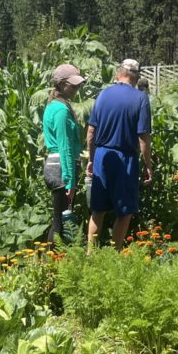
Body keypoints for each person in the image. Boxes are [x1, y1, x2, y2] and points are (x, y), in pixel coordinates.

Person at [87, 58, 152, 250]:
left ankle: (90, 255)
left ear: (119, 73)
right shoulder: (140, 98)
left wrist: (91, 159)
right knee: (124, 212)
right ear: (137, 77)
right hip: (125, 159)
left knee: (98, 210)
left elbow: (91, 132)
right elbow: (143, 137)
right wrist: (147, 164)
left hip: (102, 156)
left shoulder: (103, 95)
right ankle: (114, 255)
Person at [42, 64, 85, 244]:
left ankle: (54, 260)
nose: (76, 89)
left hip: (55, 165)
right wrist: (69, 180)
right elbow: (64, 146)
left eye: (78, 85)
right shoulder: (61, 110)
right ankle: (52, 262)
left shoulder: (54, 105)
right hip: (61, 168)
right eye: (72, 85)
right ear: (61, 85)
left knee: (60, 218)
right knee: (60, 220)